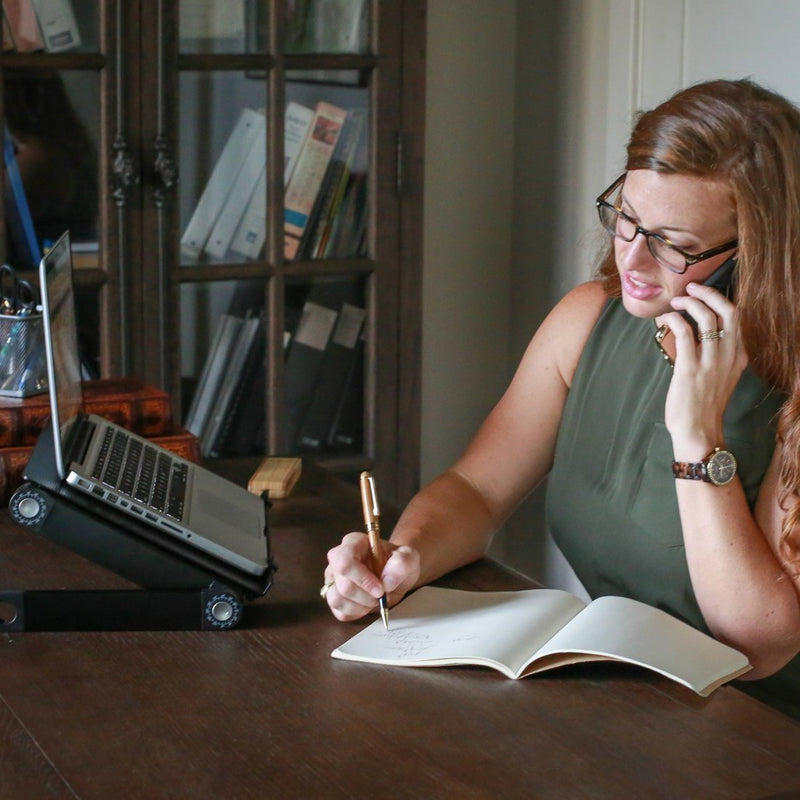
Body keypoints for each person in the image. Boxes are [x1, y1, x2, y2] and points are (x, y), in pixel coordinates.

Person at [322, 78, 800, 720]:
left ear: (757, 254)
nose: (631, 257)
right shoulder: (587, 320)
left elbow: (757, 647)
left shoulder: (787, 385)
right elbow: (477, 488)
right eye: (627, 218)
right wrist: (403, 558)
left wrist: (696, 437)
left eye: (674, 244)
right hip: (638, 709)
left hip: (761, 734)